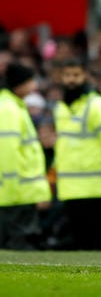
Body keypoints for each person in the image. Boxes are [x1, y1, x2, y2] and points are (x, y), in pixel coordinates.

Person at [52, 57, 101, 250]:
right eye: (67, 75)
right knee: (78, 240)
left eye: (76, 75)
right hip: (68, 184)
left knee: (93, 238)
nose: (71, 80)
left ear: (85, 76)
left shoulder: (98, 106)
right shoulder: (61, 108)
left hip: (92, 185)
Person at [0, 62, 52, 250]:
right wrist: (12, 189)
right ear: (19, 84)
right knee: (18, 246)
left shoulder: (12, 106)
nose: (34, 86)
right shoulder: (9, 109)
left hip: (18, 192)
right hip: (16, 193)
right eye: (30, 81)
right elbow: (7, 151)